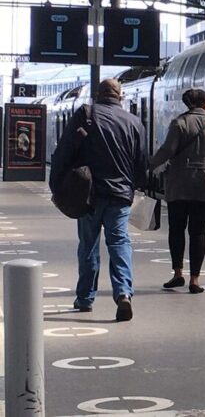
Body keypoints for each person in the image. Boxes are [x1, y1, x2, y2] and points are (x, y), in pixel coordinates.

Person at [49, 78, 148, 322]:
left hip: (88, 193)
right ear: (120, 96)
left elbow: (64, 151)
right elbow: (142, 162)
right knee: (119, 243)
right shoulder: (135, 122)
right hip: (120, 195)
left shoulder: (86, 114)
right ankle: (123, 292)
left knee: (89, 245)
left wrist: (56, 185)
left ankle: (85, 298)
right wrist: (135, 187)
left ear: (98, 94)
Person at [150, 89, 205, 294]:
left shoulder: (179, 123)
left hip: (179, 184)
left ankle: (178, 274)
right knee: (198, 232)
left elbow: (167, 150)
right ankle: (195, 279)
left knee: (176, 230)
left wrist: (149, 166)